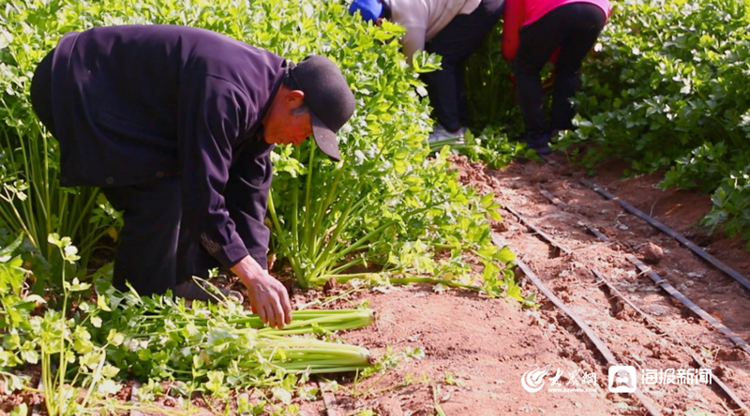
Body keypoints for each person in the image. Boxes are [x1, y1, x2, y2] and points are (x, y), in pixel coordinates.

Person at [29, 25, 355, 328]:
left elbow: (249, 193)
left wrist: (261, 273)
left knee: (172, 181)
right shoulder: (229, 94)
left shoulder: (266, 100)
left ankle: (179, 282)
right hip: (76, 82)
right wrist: (252, 278)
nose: (301, 141)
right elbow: (203, 197)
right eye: (308, 131)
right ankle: (137, 312)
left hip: (114, 94)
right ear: (293, 99)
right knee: (160, 192)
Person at [349, 0, 505, 144]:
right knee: (449, 58)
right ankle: (460, 125)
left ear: (379, 22)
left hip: (480, 5)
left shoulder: (408, 22)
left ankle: (450, 131)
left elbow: (413, 68)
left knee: (437, 61)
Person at [502, 0, 610, 154]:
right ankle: (561, 134)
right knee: (569, 69)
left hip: (554, 9)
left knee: (526, 69)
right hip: (596, 10)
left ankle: (537, 138)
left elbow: (512, 29)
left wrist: (512, 57)